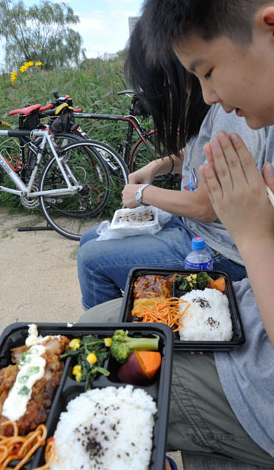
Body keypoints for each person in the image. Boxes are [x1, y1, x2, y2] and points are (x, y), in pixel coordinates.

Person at [78, 0, 274, 466]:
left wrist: (253, 231)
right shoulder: (253, 112)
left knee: (88, 361)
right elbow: (205, 169)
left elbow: (214, 207)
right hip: (244, 311)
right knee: (98, 320)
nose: (206, 95)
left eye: (206, 71)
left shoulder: (246, 113)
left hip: (257, 383)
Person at [77, 21, 266, 311]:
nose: (163, 87)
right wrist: (157, 166)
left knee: (91, 260)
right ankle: (129, 313)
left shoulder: (231, 109)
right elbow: (197, 157)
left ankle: (112, 333)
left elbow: (206, 206)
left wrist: (143, 194)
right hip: (195, 228)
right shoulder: (211, 101)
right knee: (90, 238)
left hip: (219, 250)